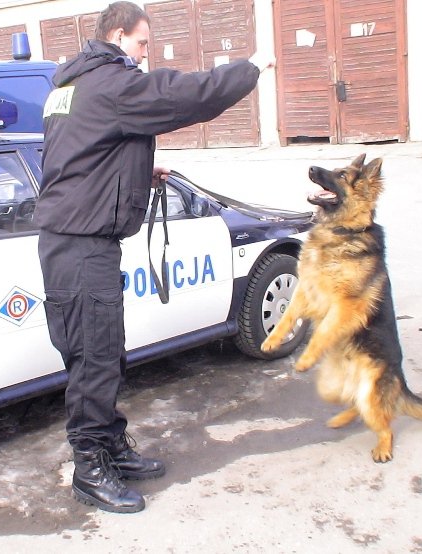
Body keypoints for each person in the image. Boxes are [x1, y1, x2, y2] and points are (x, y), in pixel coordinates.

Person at [36, 1, 275, 513]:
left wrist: (137, 172)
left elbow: (79, 155)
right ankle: (90, 468)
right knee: (93, 359)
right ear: (118, 35)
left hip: (74, 241)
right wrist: (250, 69)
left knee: (105, 351)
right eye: (142, 42)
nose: (145, 54)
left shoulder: (69, 87)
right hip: (81, 246)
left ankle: (111, 447)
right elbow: (183, 95)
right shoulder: (111, 82)